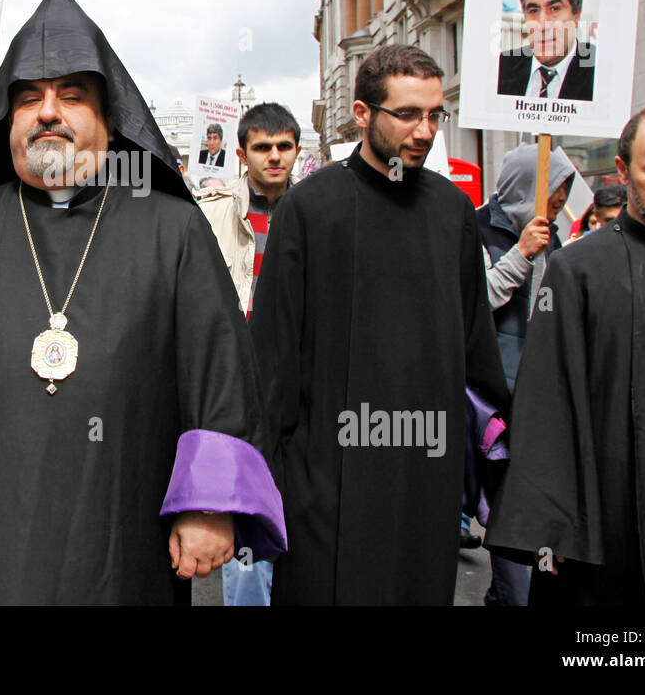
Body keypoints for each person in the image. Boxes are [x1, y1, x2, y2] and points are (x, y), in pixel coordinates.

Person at [0, 0, 285, 604]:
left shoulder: (171, 228)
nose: (48, 111)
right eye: (28, 99)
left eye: (72, 96)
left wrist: (210, 504)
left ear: (110, 122)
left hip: (124, 533)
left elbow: (220, 370)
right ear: (8, 122)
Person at [249, 43, 508, 605]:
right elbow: (272, 358)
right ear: (363, 114)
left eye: (435, 114)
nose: (425, 130)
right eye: (408, 114)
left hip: (425, 479)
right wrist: (274, 480)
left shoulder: (452, 212)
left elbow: (477, 352)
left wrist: (494, 470)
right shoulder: (308, 209)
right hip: (326, 482)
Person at [486, 106, 645, 604]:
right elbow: (547, 400)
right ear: (623, 172)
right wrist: (552, 523)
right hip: (607, 515)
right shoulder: (575, 270)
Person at [197, 101, 300, 607]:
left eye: (284, 147)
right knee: (244, 507)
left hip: (297, 382)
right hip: (236, 382)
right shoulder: (212, 212)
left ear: (298, 151)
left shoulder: (315, 211)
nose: (274, 157)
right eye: (263, 147)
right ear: (242, 154)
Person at [474, 142, 574, 605]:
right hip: (488, 404)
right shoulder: (474, 228)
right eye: (555, 189)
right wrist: (520, 254)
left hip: (540, 401)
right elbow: (473, 304)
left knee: (523, 513)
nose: (559, 201)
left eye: (565, 190)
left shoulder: (555, 234)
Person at [497, 0, 596, 101]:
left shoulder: (599, 72)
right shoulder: (500, 68)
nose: (542, 25)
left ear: (576, 15)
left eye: (554, 9)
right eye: (533, 10)